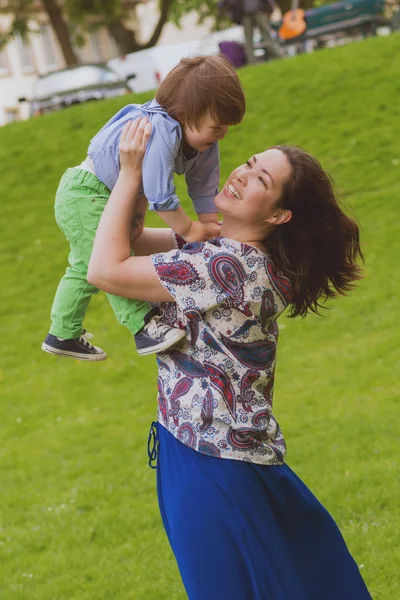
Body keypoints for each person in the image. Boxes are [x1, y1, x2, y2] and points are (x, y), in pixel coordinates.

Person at [88, 118, 372, 600]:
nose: (241, 174)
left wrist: (133, 172)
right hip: (231, 455)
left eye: (261, 180)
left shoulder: (225, 266)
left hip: (209, 462)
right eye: (249, 162)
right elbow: (131, 238)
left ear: (280, 215)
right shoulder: (237, 254)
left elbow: (104, 268)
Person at [41, 55, 245, 362]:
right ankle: (143, 325)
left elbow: (204, 182)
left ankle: (62, 332)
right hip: (85, 193)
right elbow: (159, 193)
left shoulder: (201, 139)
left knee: (84, 267)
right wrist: (189, 230)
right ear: (184, 114)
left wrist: (209, 222)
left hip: (106, 196)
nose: (222, 134)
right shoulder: (160, 128)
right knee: (111, 262)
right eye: (217, 126)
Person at [219, 0, 281, 64]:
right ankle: (252, 62)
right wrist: (221, 7)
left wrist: (270, 8)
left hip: (259, 11)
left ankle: (277, 55)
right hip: (245, 15)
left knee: (267, 35)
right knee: (248, 40)